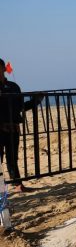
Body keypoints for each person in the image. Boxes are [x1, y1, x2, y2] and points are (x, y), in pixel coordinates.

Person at [0, 58, 40, 192]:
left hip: (13, 128)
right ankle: (1, 188)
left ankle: (17, 184)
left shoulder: (13, 86)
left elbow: (20, 106)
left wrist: (35, 101)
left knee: (12, 158)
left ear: (4, 69)